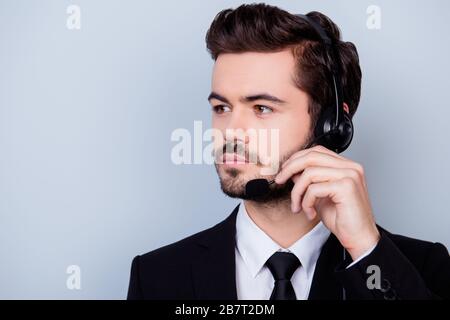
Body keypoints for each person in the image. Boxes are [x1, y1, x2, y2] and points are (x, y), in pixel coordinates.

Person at [127, 3, 450, 300]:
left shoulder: (420, 266)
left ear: (331, 125)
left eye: (262, 108)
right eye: (222, 107)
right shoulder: (157, 277)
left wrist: (366, 250)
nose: (231, 131)